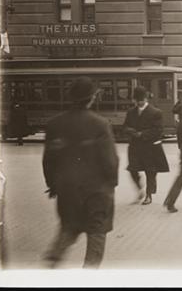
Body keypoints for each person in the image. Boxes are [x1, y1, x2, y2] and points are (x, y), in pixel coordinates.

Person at [42, 77, 119, 268]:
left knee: (69, 228)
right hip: (97, 191)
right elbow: (110, 160)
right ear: (91, 98)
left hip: (67, 190)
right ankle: (89, 273)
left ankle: (52, 261)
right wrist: (111, 184)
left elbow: (48, 160)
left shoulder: (54, 124)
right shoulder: (100, 124)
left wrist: (53, 185)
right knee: (97, 234)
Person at [123, 86, 169, 205]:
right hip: (135, 146)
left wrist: (142, 134)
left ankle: (148, 196)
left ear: (146, 98)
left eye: (141, 100)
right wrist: (130, 131)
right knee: (132, 169)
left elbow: (158, 130)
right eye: (137, 100)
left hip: (149, 146)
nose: (139, 102)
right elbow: (125, 126)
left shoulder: (155, 112)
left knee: (150, 171)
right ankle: (140, 189)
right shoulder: (131, 112)